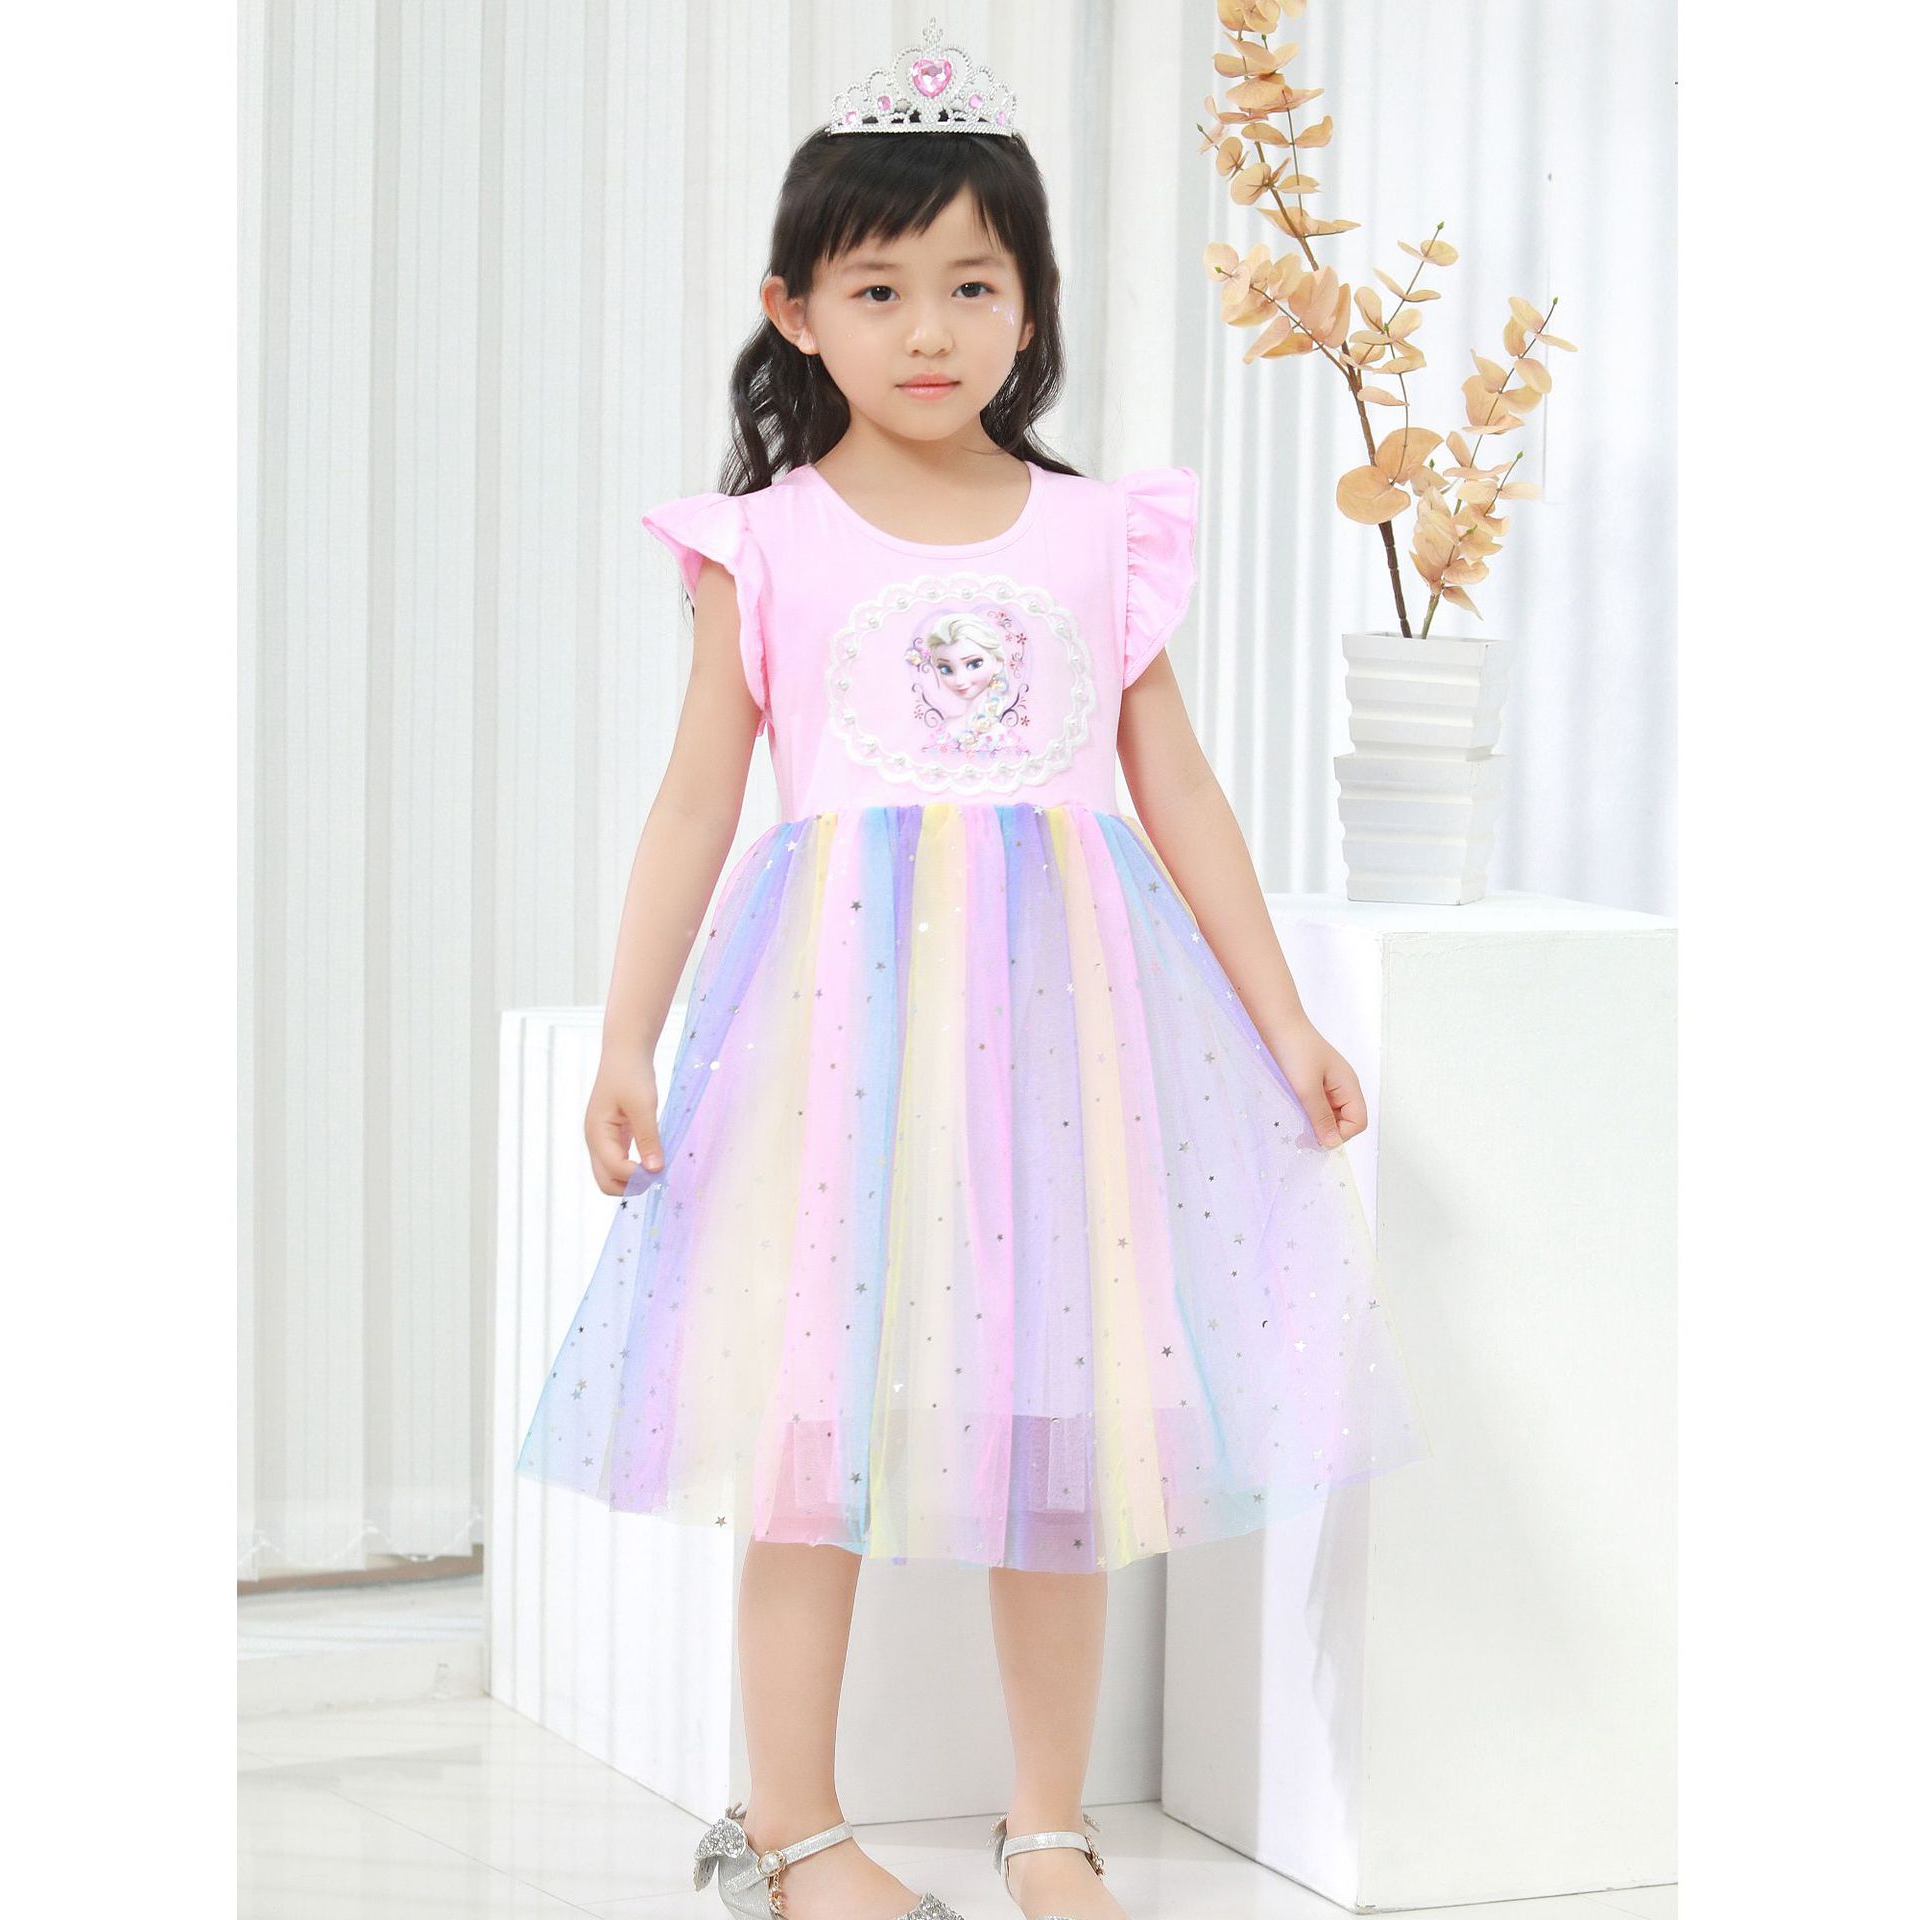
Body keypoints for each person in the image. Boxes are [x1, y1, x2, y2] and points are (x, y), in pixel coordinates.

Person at [514, 21, 1427, 1920]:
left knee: (1059, 1432)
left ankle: (1047, 1822)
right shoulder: (764, 544)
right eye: (879, 287)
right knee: (809, 1432)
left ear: (1032, 305)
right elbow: (694, 806)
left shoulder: (1100, 533)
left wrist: (1282, 1020)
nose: (928, 328)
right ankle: (795, 1834)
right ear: (795, 312)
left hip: (1063, 1040)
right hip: (835, 1041)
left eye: (972, 283)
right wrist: (627, 1040)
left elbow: (1181, 791)